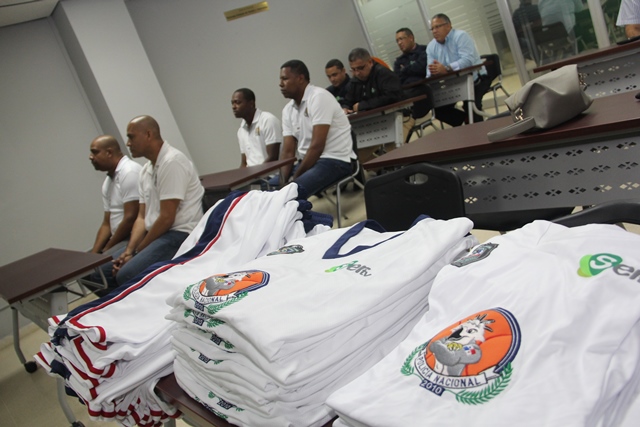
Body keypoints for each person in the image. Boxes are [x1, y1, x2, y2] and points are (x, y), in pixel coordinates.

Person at [96, 115, 204, 291]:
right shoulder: (146, 170)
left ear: (148, 135)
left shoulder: (172, 162)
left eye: (131, 137)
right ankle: (127, 303)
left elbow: (167, 218)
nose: (128, 143)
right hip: (158, 233)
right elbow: (141, 217)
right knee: (100, 273)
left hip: (180, 233)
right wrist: (129, 251)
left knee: (127, 274)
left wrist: (137, 252)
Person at [278, 59, 355, 198]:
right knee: (270, 188)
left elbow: (317, 146)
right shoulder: (287, 110)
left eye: (285, 79)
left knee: (291, 191)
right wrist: (282, 182)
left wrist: (294, 179)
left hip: (334, 160)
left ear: (300, 78)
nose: (280, 84)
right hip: (309, 162)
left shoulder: (319, 97)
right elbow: (288, 152)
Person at [426, 13, 490, 126]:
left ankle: (480, 130)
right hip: (453, 84)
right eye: (432, 28)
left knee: (470, 106)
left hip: (476, 79)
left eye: (437, 27)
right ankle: (465, 121)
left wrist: (447, 69)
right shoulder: (431, 47)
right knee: (438, 110)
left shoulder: (461, 36)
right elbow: (429, 71)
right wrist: (434, 72)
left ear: (448, 25)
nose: (434, 31)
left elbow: (467, 61)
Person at [88, 135, 141, 255]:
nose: (90, 157)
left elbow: (131, 217)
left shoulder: (129, 172)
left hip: (132, 237)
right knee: (89, 262)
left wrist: (107, 249)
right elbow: (106, 223)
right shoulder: (108, 181)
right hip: (118, 239)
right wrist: (93, 256)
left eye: (95, 152)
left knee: (104, 265)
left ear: (109, 153)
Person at [342, 47, 403, 113]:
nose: (357, 73)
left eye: (360, 68)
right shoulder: (355, 81)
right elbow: (348, 101)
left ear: (370, 62)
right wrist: (345, 108)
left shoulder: (383, 74)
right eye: (353, 69)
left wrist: (363, 105)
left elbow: (392, 97)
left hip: (394, 113)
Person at [231, 88, 281, 168]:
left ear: (251, 103)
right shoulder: (241, 130)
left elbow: (273, 157)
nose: (233, 107)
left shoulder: (267, 120)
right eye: (232, 103)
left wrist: (256, 174)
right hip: (253, 174)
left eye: (237, 102)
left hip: (271, 173)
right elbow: (244, 163)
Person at [393, 27, 431, 122]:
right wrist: (412, 69)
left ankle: (409, 121)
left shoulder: (425, 50)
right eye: (397, 41)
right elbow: (397, 78)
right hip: (407, 92)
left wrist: (404, 69)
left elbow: (422, 68)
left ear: (411, 38)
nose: (399, 43)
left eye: (401, 39)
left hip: (423, 89)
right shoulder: (399, 61)